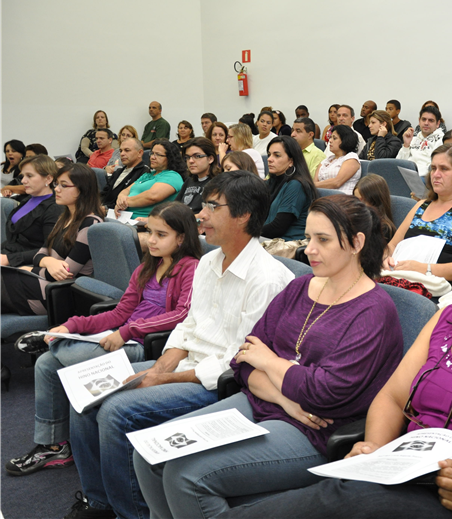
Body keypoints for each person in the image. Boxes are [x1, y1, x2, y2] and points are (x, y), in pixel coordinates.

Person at [218, 217, 452, 519]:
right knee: (345, 494)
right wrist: (375, 448)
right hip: (407, 472)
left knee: (348, 499)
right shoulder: (448, 319)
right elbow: (393, 396)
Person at [134, 195, 404, 518]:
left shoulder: (373, 310)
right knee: (149, 453)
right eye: (308, 238)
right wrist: (283, 393)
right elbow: (244, 360)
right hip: (271, 403)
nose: (309, 249)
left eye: (323, 240)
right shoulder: (300, 287)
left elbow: (323, 392)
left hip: (314, 430)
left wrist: (270, 361)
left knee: (187, 476)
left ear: (357, 242)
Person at [63, 171, 294, 519]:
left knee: (115, 411)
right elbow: (188, 325)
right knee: (82, 395)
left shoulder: (269, 279)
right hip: (185, 366)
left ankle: (133, 513)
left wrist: (164, 379)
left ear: (244, 216)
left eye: (213, 207)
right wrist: (161, 365)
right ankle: (100, 503)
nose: (201, 213)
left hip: (216, 383)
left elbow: (237, 360)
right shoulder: (209, 261)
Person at [6, 202, 202, 476]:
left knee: (66, 356)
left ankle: (57, 342)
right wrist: (72, 324)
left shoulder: (191, 268)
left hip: (148, 344)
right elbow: (120, 312)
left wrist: (127, 332)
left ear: (181, 238)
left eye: (161, 234)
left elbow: (182, 315)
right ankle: (54, 446)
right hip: (122, 336)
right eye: (150, 232)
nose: (152, 240)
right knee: (46, 364)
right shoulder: (146, 267)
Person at [0, 163, 103, 317]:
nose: (57, 189)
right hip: (41, 282)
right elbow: (39, 255)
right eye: (56, 184)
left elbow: (65, 273)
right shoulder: (64, 218)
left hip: (55, 294)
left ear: (83, 189)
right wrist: (48, 262)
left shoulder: (90, 224)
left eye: (64, 185)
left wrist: (28, 269)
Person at [386, 145, 452, 282]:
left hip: (432, 289)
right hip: (397, 278)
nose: (436, 174)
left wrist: (426, 269)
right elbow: (392, 245)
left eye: (444, 169)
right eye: (433, 168)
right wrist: (385, 258)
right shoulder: (421, 205)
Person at [0, 156, 63, 267]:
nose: (23, 180)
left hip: (27, 264)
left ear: (48, 179)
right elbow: (14, 240)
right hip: (10, 255)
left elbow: (50, 250)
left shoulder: (54, 208)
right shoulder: (29, 199)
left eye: (29, 176)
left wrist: (9, 259)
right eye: (23, 176)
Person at [262, 136, 318, 240]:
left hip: (286, 244)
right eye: (269, 154)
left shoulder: (296, 185)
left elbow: (278, 227)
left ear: (291, 161)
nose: (269, 159)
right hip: (267, 240)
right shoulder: (270, 182)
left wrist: (246, 233)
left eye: (277, 155)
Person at [116, 140, 186, 220]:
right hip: (124, 217)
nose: (152, 157)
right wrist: (121, 197)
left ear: (170, 158)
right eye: (152, 153)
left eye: (158, 154)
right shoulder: (148, 174)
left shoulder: (173, 176)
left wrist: (124, 203)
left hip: (144, 222)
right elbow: (126, 190)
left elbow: (152, 197)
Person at [102, 138, 149, 210]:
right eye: (121, 151)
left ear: (140, 153)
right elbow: (105, 193)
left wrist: (105, 208)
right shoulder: (118, 172)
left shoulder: (145, 173)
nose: (122, 154)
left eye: (127, 150)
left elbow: (130, 199)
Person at [397, 105, 445, 176]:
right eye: (424, 119)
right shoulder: (413, 139)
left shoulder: (441, 140)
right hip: (406, 175)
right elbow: (398, 162)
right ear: (419, 121)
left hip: (424, 177)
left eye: (431, 120)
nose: (426, 123)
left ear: (438, 124)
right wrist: (406, 145)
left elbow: (434, 166)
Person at [176, 137, 220, 213]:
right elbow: (174, 206)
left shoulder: (217, 182)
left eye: (197, 156)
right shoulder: (189, 180)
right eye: (187, 157)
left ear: (210, 159)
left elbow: (209, 216)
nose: (190, 161)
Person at [315, 125, 362, 195]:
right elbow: (314, 182)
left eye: (334, 138)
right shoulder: (326, 160)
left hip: (343, 199)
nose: (330, 141)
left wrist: (311, 185)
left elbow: (337, 182)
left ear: (345, 140)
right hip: (322, 199)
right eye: (330, 137)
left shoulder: (351, 158)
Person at [354, 174, 396, 242]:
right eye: (357, 200)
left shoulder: (384, 229)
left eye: (364, 200)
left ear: (376, 201)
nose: (359, 204)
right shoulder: (355, 220)